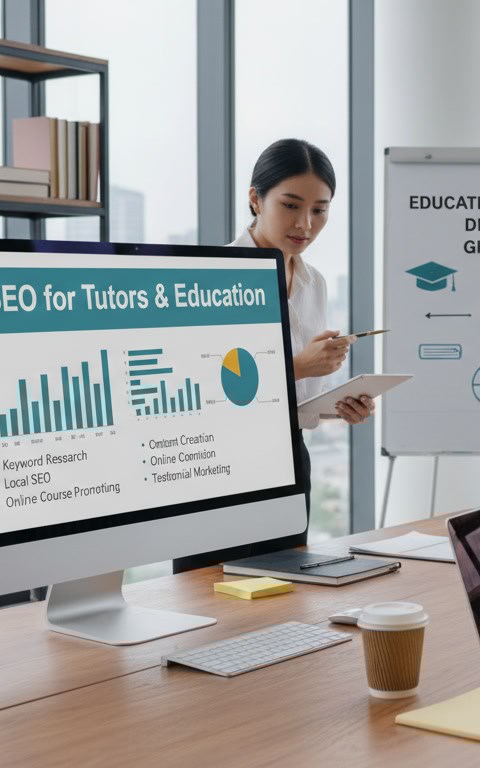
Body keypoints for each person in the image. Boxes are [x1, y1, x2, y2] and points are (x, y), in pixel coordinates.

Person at [173, 139, 371, 572]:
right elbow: (200, 391)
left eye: (320, 210)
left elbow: (294, 401)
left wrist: (339, 406)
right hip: (214, 462)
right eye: (291, 205)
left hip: (288, 458)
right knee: (205, 597)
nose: (305, 223)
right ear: (254, 199)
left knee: (283, 593)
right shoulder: (211, 276)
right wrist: (299, 365)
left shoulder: (313, 282)